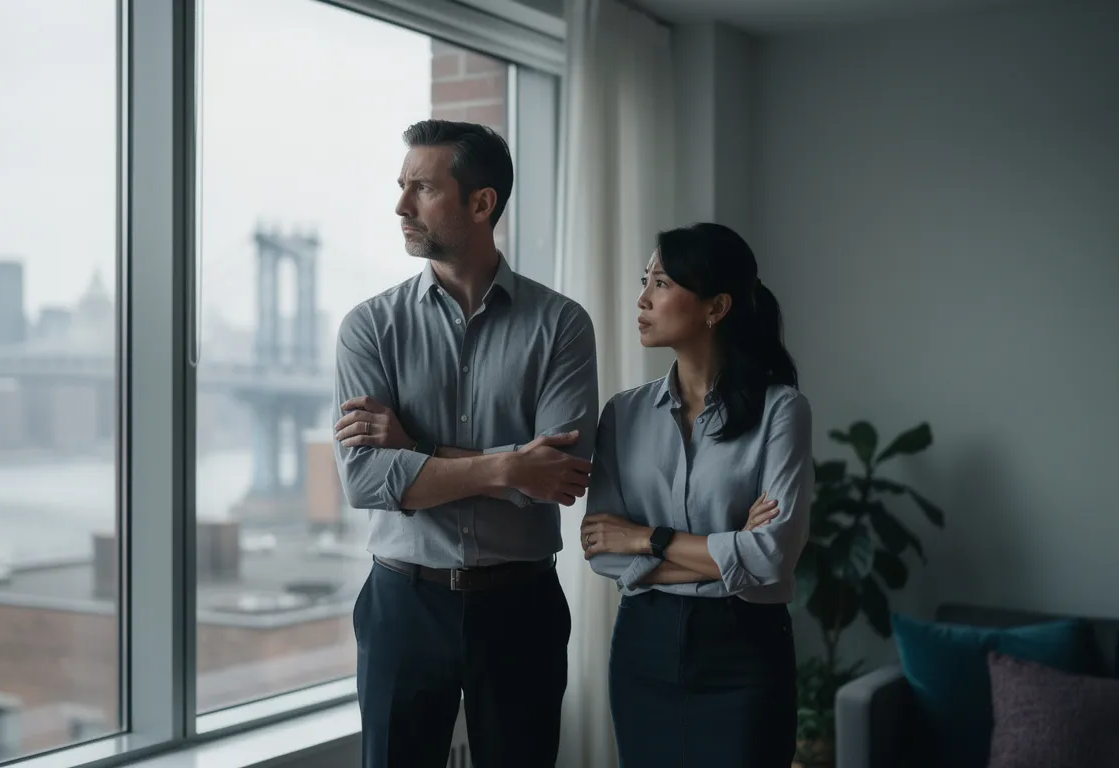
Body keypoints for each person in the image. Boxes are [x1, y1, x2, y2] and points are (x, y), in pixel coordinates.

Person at [330, 119, 600, 768]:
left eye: (421, 188)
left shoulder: (561, 325)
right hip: (402, 601)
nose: (400, 205)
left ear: (482, 204)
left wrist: (413, 450)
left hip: (522, 607)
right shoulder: (369, 328)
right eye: (401, 186)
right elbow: (366, 482)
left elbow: (557, 479)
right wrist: (511, 467)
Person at [580, 222, 813, 767]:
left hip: (745, 651)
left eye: (660, 283)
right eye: (645, 280)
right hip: (643, 649)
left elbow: (774, 555)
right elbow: (602, 551)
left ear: (716, 306)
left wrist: (646, 538)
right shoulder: (623, 414)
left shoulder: (781, 412)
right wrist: (729, 550)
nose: (642, 298)